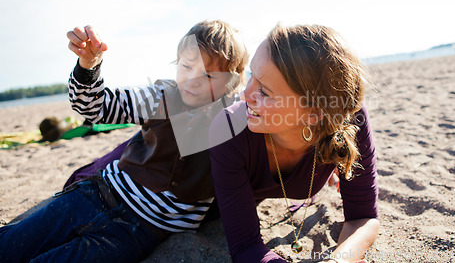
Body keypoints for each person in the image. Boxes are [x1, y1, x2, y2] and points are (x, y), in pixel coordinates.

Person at [0, 20, 249, 262]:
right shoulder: (161, 96)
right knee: (13, 244)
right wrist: (89, 64)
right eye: (186, 66)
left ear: (232, 80)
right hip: (95, 194)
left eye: (207, 74)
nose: (191, 80)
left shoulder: (234, 118)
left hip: (139, 232)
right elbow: (95, 107)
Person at [209, 24, 379, 263]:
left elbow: (364, 218)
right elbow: (245, 245)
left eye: (264, 91)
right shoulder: (228, 129)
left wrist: (340, 259)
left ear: (314, 113)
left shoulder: (347, 118)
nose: (245, 95)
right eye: (251, 77)